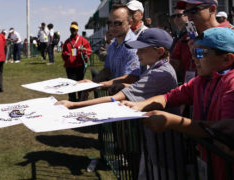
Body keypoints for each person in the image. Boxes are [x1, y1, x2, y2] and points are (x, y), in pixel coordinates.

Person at [57, 28, 182, 179]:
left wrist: (74, 105)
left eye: (142, 50)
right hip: (154, 137)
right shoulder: (156, 68)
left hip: (163, 143)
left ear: (159, 51)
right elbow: (139, 86)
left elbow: (115, 98)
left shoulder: (160, 74)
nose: (137, 54)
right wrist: (102, 85)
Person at [122, 27, 234, 180]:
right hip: (208, 159)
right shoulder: (199, 81)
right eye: (192, 52)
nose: (194, 58)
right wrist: (140, 105)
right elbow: (168, 97)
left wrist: (172, 122)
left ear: (227, 59)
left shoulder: (231, 84)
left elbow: (227, 129)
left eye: (200, 53)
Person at [170, 0, 232, 84]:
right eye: (186, 12)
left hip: (219, 92)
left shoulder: (230, 35)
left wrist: (197, 51)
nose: (189, 16)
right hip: (190, 91)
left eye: (194, 11)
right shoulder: (186, 38)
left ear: (212, 9)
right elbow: (174, 65)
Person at [90, 4, 141, 95]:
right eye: (110, 23)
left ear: (130, 23)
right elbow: (107, 69)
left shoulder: (133, 45)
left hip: (129, 100)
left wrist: (100, 85)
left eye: (117, 23)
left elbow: (130, 78)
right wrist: (91, 84)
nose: (112, 27)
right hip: (116, 97)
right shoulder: (113, 44)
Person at [62, 22, 92, 101]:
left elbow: (89, 51)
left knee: (79, 82)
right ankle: (72, 99)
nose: (73, 31)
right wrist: (66, 54)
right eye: (71, 29)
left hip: (79, 65)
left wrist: (84, 53)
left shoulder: (83, 40)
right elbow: (63, 53)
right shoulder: (67, 41)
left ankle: (80, 99)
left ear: (77, 30)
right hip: (70, 66)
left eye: (74, 29)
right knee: (70, 83)